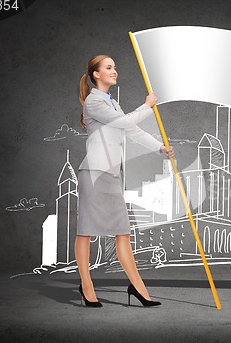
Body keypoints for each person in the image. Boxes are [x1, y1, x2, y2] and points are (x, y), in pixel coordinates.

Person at [76, 54, 174, 307]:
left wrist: (159, 148)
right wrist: (147, 106)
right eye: (109, 67)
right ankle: (86, 286)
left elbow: (133, 131)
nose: (114, 71)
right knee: (86, 231)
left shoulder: (112, 103)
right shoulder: (93, 102)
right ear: (96, 74)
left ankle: (138, 288)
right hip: (94, 173)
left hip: (111, 175)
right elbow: (126, 121)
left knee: (122, 232)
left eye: (115, 67)